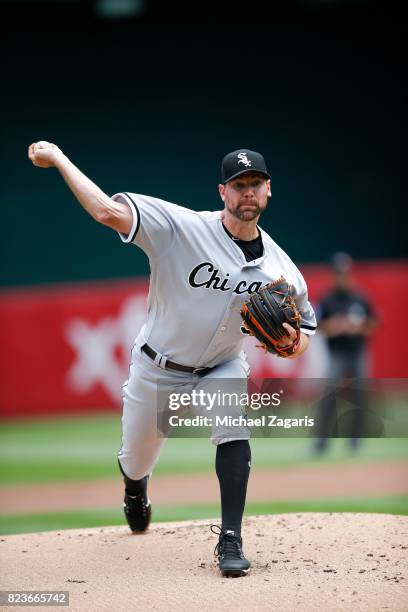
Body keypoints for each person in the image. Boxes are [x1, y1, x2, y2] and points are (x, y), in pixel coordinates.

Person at [28, 142, 316, 577]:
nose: (247, 192)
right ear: (223, 192)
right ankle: (135, 487)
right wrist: (61, 160)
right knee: (136, 458)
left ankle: (231, 540)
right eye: (239, 185)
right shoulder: (180, 227)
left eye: (255, 183)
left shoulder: (282, 269)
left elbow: (304, 333)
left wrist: (293, 345)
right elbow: (108, 212)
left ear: (268, 189)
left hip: (222, 365)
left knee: (233, 427)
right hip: (156, 367)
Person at [312, 252, 378, 454]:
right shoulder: (328, 299)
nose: (342, 277)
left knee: (359, 397)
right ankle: (321, 444)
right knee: (329, 395)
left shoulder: (360, 296)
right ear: (333, 275)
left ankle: (355, 442)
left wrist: (356, 328)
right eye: (338, 273)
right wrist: (334, 326)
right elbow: (317, 327)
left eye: (345, 273)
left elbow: (373, 324)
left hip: (357, 351)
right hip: (337, 353)